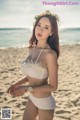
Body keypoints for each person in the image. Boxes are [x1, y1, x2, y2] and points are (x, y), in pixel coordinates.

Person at [7, 10, 60, 120]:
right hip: (32, 98)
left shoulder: (50, 55)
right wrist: (17, 84)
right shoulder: (32, 49)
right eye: (39, 25)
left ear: (51, 32)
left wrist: (25, 89)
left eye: (46, 27)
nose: (40, 29)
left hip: (45, 102)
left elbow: (53, 87)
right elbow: (31, 75)